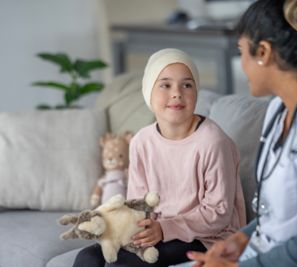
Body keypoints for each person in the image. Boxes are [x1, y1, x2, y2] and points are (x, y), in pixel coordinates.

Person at [187, 0, 297, 266]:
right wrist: (240, 239)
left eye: (242, 52)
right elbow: (278, 218)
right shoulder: (278, 109)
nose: (242, 63)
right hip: (255, 255)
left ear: (263, 52)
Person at [73, 48, 246, 267]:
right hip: (156, 231)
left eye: (187, 85)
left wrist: (165, 229)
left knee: (122, 265)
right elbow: (137, 204)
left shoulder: (213, 142)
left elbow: (219, 213)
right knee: (87, 258)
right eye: (165, 85)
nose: (177, 93)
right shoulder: (141, 141)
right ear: (149, 93)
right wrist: (127, 228)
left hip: (206, 237)